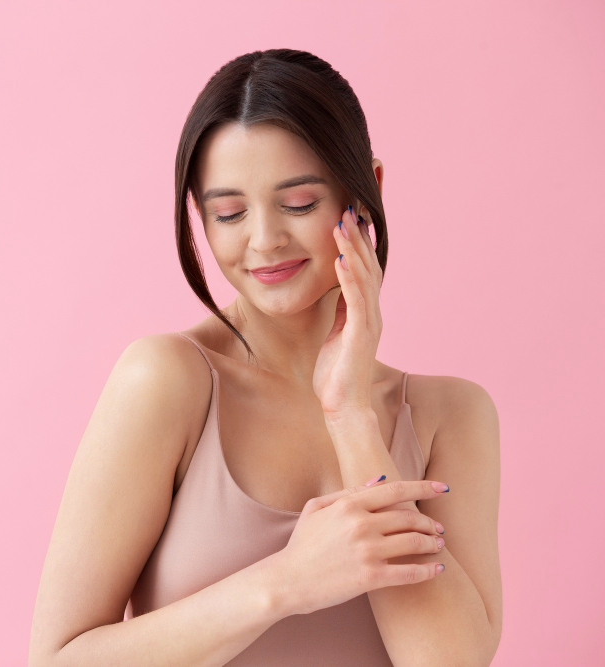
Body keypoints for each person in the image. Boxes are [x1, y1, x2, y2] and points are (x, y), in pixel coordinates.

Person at [29, 49, 502, 666]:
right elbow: (58, 660)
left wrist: (351, 414)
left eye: (299, 203)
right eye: (227, 213)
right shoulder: (168, 381)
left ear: (367, 190)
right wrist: (285, 583)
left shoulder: (451, 414)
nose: (263, 241)